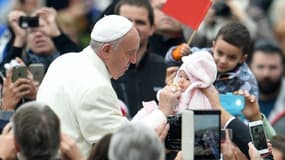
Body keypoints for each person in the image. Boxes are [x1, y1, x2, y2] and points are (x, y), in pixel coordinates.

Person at [36, 15, 179, 157]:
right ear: (106, 50)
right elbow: (124, 144)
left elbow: (119, 127)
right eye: (130, 53)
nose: (134, 60)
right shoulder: (96, 86)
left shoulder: (64, 61)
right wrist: (163, 111)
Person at [165, 22, 258, 97]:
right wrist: (177, 53)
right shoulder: (199, 57)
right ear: (213, 46)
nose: (223, 61)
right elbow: (169, 61)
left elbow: (250, 115)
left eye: (231, 57)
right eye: (220, 53)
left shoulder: (246, 80)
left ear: (242, 58)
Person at [111, 0, 167, 117]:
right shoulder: (101, 68)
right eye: (126, 21)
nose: (133, 27)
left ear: (152, 28)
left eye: (140, 22)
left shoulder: (165, 70)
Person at [1, 7, 79, 73]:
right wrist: (19, 38)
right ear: (26, 38)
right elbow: (3, 76)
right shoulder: (20, 63)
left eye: (43, 29)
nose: (38, 34)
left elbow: (79, 65)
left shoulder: (67, 59)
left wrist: (57, 34)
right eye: (32, 31)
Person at [248, 39, 285, 124]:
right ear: (250, 67)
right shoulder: (238, 96)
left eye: (273, 67)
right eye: (260, 67)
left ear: (282, 68)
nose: (266, 74)